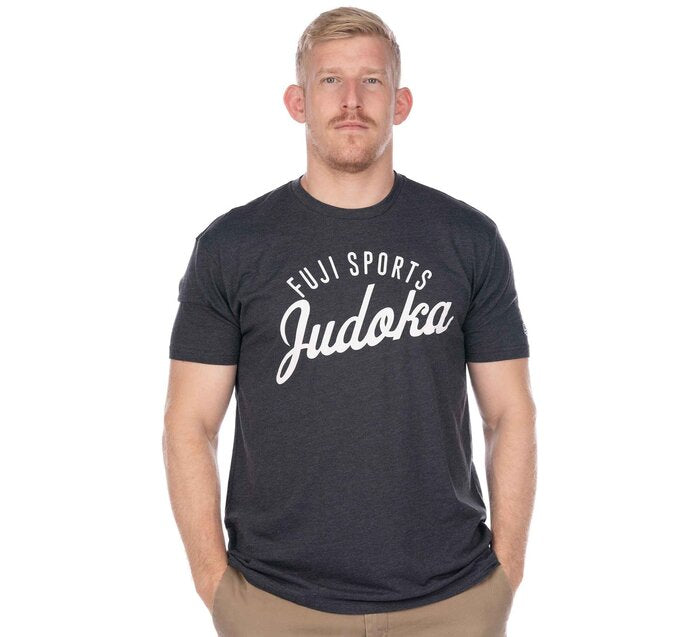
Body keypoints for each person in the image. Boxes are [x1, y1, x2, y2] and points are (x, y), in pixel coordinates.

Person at [163, 6, 537, 636]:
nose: (352, 101)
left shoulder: (467, 238)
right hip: (275, 602)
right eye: (331, 80)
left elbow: (510, 412)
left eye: (372, 81)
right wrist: (214, 582)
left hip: (452, 599)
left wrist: (506, 574)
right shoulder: (232, 246)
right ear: (298, 102)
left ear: (401, 103)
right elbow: (189, 423)